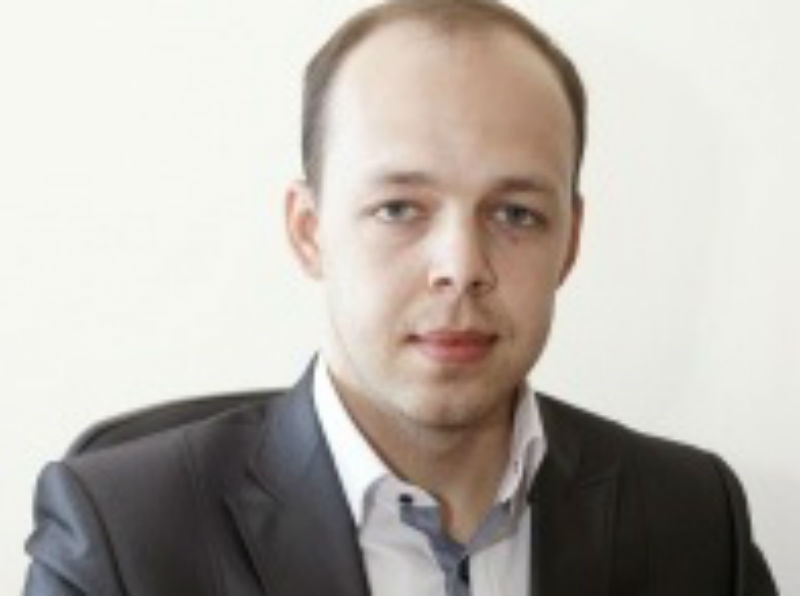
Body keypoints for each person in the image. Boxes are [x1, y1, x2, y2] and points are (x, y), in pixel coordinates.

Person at [24, 1, 777, 594]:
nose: (462, 266)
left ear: (570, 243)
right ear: (309, 231)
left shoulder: (693, 520)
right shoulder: (121, 536)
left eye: (516, 214)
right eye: (399, 209)